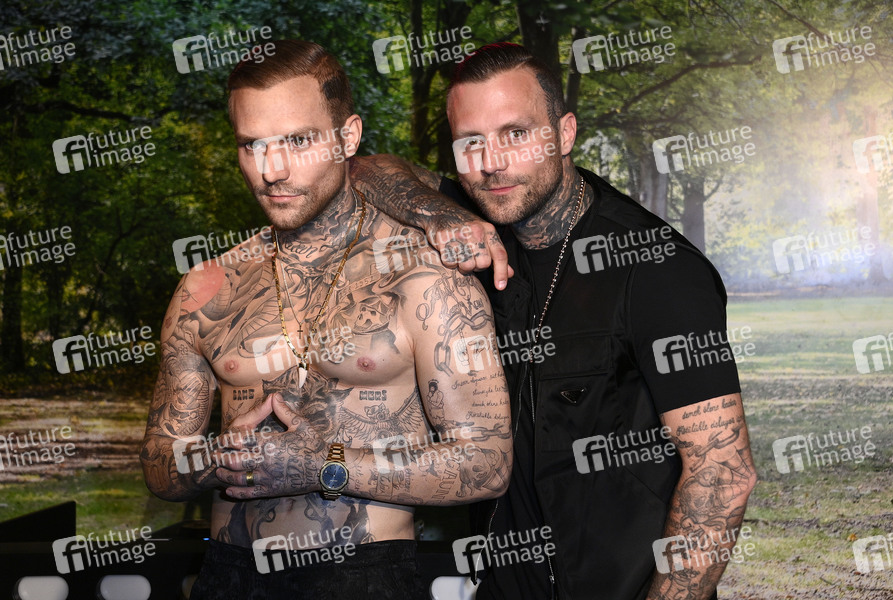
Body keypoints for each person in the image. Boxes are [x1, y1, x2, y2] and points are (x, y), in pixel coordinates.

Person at [353, 42, 758, 600]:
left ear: (564, 134)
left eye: (515, 134)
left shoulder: (657, 269)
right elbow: (364, 169)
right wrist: (437, 213)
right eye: (470, 141)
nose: (491, 162)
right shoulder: (480, 223)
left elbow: (723, 473)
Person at [140, 40, 512, 600]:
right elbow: (159, 465)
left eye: (298, 140)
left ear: (348, 137)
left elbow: (487, 461)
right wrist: (217, 459)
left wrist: (324, 465)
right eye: (252, 145)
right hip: (229, 576)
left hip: (366, 575)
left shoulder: (425, 275)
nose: (272, 171)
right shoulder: (207, 287)